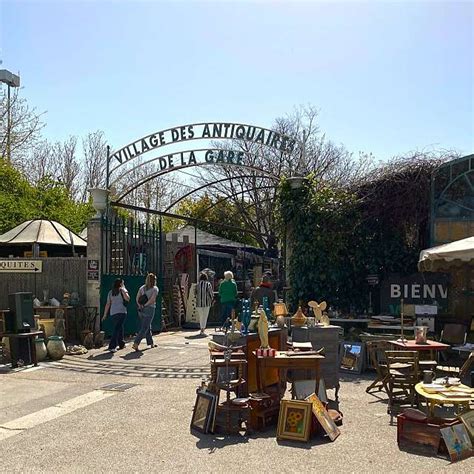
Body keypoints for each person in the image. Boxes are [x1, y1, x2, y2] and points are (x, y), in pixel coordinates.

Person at [132, 273, 159, 351]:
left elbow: (137, 298)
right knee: (145, 327)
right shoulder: (155, 289)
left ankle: (151, 343)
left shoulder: (142, 288)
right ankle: (136, 343)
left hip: (140, 309)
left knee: (147, 325)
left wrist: (140, 305)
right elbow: (152, 300)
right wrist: (146, 305)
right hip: (149, 309)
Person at [102, 278, 129, 353]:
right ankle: (112, 346)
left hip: (113, 313)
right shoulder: (122, 290)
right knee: (117, 328)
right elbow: (128, 299)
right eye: (123, 283)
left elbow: (108, 304)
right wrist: (124, 289)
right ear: (121, 284)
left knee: (119, 327)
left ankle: (121, 344)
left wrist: (105, 314)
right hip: (121, 312)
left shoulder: (110, 292)